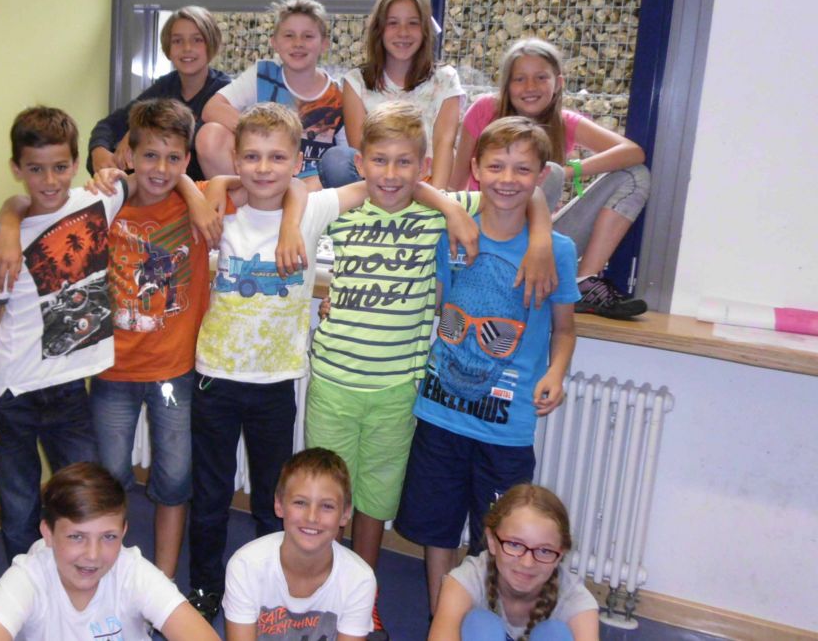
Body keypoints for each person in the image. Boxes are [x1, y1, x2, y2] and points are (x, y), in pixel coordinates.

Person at [306, 101, 555, 639]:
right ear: (360, 163)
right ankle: (323, 594)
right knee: (325, 496)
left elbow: (527, 189)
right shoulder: (342, 209)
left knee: (374, 501)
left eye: (405, 163)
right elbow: (282, 198)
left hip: (398, 389)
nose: (391, 174)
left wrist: (537, 240)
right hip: (333, 382)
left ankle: (363, 597)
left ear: (422, 167)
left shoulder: (438, 216)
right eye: (379, 160)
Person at [185, 102, 443, 622]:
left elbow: (381, 183)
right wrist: (211, 187)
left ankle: (273, 589)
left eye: (277, 157)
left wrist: (453, 210)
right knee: (210, 493)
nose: (263, 168)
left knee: (272, 498)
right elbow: (171, 180)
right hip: (215, 377)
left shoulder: (314, 210)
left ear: (298, 160)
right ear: (235, 159)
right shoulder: (220, 208)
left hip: (276, 384)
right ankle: (207, 586)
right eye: (251, 157)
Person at [395, 116, 580, 614]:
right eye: (496, 166)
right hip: (439, 417)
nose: (507, 179)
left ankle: (484, 620)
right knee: (437, 530)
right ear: (475, 168)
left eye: (522, 169)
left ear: (541, 176)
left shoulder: (557, 251)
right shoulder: (452, 235)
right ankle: (442, 615)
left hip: (507, 430)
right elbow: (431, 302)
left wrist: (556, 372)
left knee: (499, 536)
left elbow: (564, 329)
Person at [0, 106, 123, 562]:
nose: (49, 180)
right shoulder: (1, 238)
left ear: (76, 165)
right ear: (17, 169)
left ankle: (82, 583)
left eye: (60, 167)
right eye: (35, 169)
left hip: (69, 392)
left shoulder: (96, 202)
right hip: (11, 393)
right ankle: (24, 588)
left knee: (83, 500)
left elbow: (155, 176)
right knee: (18, 506)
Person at [79, 98, 222, 579]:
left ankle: (162, 579)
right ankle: (111, 574)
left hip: (173, 374)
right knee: (109, 477)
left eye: (174, 158)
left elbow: (265, 184)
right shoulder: (107, 202)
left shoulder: (196, 201)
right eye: (150, 156)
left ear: (187, 160)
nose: (161, 169)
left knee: (175, 478)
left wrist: (191, 188)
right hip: (112, 372)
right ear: (130, 155)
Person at [449, 38, 651, 319]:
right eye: (520, 79)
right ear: (506, 85)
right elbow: (455, 182)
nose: (530, 87)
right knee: (553, 173)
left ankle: (584, 282)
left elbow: (633, 152)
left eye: (541, 78)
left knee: (635, 175)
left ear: (558, 83)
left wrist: (570, 170)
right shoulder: (485, 110)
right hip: (485, 235)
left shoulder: (565, 122)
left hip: (541, 238)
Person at [0, 462, 219, 641]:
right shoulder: (28, 577)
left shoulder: (131, 571)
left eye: (109, 537)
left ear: (123, 531)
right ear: (48, 533)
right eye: (77, 537)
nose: (93, 555)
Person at [321, 0, 465, 190]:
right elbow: (361, 150)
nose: (403, 32)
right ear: (379, 29)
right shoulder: (356, 82)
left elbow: (445, 142)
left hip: (425, 187)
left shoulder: (445, 79)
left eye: (413, 23)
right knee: (338, 160)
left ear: (425, 29)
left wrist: (437, 197)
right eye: (393, 23)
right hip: (376, 185)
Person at [222, 448, 377, 640]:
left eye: (327, 506)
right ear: (279, 505)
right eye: (300, 503)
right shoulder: (245, 566)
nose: (312, 517)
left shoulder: (359, 579)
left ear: (345, 514)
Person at [196, 0, 347, 190]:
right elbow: (212, 108)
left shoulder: (339, 95)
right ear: (274, 42)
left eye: (308, 36)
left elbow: (347, 156)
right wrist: (262, 133)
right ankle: (241, 201)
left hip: (308, 184)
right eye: (289, 35)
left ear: (324, 44)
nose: (298, 43)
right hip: (259, 174)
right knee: (210, 135)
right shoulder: (263, 75)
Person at [429, 484, 600, 641]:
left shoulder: (575, 600)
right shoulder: (466, 581)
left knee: (554, 634)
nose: (527, 563)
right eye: (515, 544)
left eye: (544, 550)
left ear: (560, 555)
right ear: (491, 541)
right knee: (480, 625)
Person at [88, 6, 230, 181]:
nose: (187, 48)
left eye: (197, 40)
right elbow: (110, 124)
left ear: (211, 44)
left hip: (200, 183)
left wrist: (135, 133)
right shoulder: (165, 86)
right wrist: (99, 150)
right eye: (177, 41)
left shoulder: (224, 92)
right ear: (168, 47)